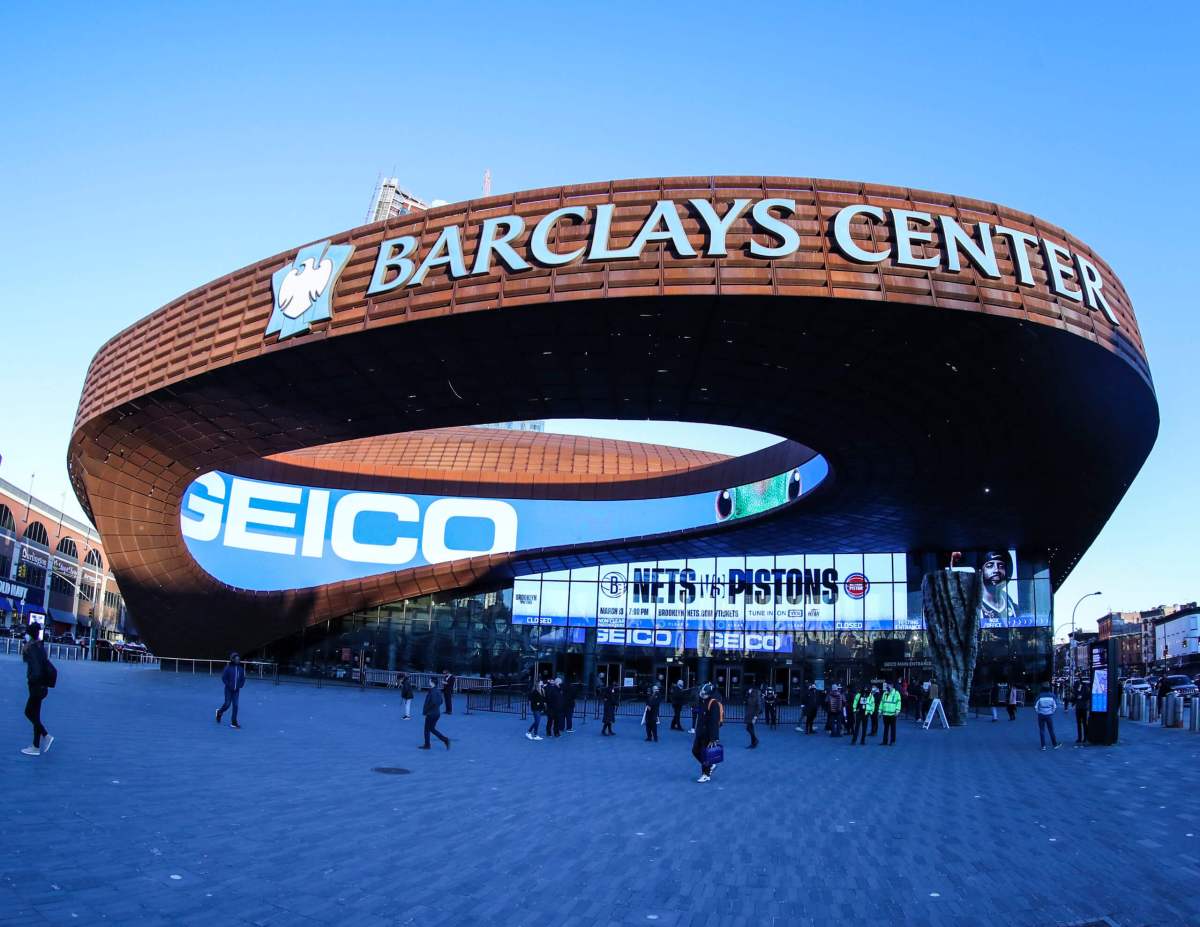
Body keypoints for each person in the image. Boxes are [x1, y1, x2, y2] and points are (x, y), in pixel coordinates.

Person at [21, 624, 53, 756]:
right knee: (35, 714)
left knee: (28, 712)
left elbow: (36, 669)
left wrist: (32, 680)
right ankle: (35, 746)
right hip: (42, 686)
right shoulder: (40, 646)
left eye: (26, 633)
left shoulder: (32, 648)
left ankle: (46, 735)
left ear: (30, 634)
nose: (25, 635)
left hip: (36, 686)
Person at [692, 682, 723, 782]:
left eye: (704, 693)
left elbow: (714, 722)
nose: (702, 694)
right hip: (700, 732)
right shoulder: (703, 701)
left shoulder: (713, 703)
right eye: (701, 692)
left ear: (709, 694)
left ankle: (705, 774)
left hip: (708, 734)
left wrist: (714, 738)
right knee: (695, 750)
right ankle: (710, 765)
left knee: (705, 753)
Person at [979, 550, 1017, 624]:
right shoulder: (973, 606)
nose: (996, 570)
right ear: (981, 571)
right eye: (990, 566)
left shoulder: (1012, 606)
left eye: (1001, 566)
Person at [215, 651, 246, 729]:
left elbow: (243, 678)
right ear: (232, 659)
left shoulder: (241, 669)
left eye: (239, 659)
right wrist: (229, 685)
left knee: (235, 705)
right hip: (228, 690)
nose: (238, 660)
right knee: (227, 704)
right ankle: (219, 712)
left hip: (236, 690)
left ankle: (234, 722)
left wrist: (241, 685)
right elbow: (224, 678)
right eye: (236, 659)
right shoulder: (228, 668)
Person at [420, 679, 451, 750]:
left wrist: (426, 710)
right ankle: (445, 740)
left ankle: (427, 745)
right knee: (432, 729)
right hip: (436, 713)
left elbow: (433, 702)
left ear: (433, 683)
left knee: (427, 729)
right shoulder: (438, 690)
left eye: (430, 681)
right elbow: (441, 701)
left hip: (431, 713)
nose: (429, 682)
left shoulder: (432, 691)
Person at [1034, 686, 1061, 751]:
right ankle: (1055, 745)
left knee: (1042, 730)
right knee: (1051, 730)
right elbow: (1054, 706)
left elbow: (1036, 706)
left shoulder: (1039, 696)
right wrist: (1051, 712)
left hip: (1041, 715)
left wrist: (1039, 712)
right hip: (1049, 715)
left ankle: (1043, 746)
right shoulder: (1052, 696)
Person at [879, 681, 901, 745]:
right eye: (887, 685)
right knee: (886, 728)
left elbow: (898, 703)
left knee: (893, 728)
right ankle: (885, 741)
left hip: (893, 714)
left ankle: (892, 741)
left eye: (888, 685)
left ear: (891, 686)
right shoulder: (885, 693)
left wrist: (897, 711)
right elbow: (882, 702)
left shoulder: (896, 693)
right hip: (885, 714)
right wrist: (880, 711)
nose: (887, 687)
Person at [1074, 681, 1091, 745]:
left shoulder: (1085, 689)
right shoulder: (1082, 688)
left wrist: (1080, 697)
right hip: (1082, 707)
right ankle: (1082, 738)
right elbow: (1075, 696)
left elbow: (1087, 696)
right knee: (1083, 723)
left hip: (1081, 707)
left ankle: (1082, 738)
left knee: (1081, 723)